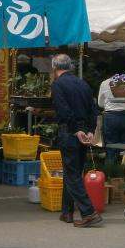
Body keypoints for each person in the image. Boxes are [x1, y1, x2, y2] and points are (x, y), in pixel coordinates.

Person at [50, 54, 101, 228]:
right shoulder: (83, 84)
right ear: (70, 66)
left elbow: (63, 110)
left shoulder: (58, 84)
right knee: (73, 172)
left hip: (70, 131)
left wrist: (75, 130)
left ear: (54, 67)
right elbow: (93, 110)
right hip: (84, 130)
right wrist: (90, 130)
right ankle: (67, 212)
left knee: (71, 175)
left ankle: (88, 212)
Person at [97, 74, 125, 164]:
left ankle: (111, 171)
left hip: (110, 116)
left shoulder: (105, 83)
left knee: (110, 147)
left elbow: (100, 103)